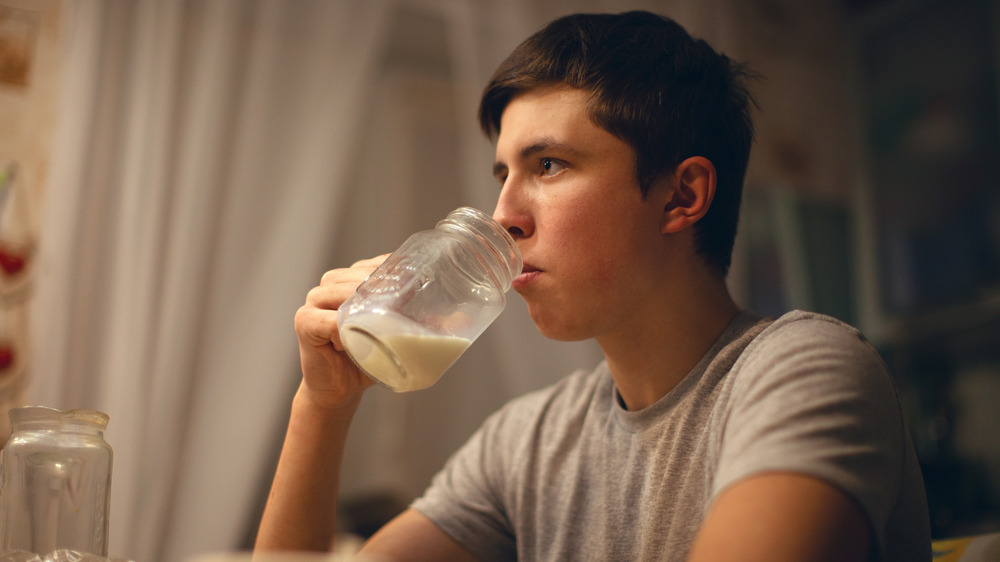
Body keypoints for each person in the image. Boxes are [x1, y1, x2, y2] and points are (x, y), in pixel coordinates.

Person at [255, 10, 931, 561]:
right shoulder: (528, 439)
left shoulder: (806, 368)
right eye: (502, 175)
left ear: (680, 196)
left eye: (548, 165)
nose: (503, 217)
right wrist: (322, 403)